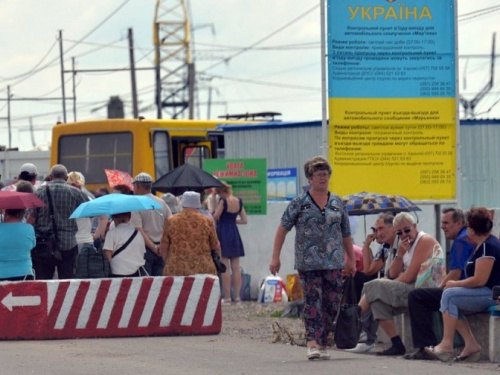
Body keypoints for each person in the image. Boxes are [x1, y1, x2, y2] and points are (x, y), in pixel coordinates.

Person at [269, 155, 356, 361]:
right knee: (313, 301)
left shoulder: (337, 203)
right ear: (309, 178)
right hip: (308, 262)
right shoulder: (299, 203)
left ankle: (323, 339)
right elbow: (282, 229)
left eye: (325, 174)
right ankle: (312, 342)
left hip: (334, 262)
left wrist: (351, 259)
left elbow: (346, 233)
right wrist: (275, 257)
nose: (322, 178)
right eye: (318, 175)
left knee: (332, 302)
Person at [358, 212, 440, 356]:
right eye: (399, 232)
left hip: (425, 290)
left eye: (407, 230)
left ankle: (354, 321)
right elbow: (392, 273)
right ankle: (396, 344)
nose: (404, 235)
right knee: (377, 301)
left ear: (415, 226)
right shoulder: (404, 246)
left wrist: (385, 283)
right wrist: (400, 254)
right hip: (413, 289)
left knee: (374, 286)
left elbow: (408, 276)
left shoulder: (424, 240)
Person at [424, 207, 500, 362]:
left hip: (491, 294)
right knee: (450, 298)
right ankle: (471, 345)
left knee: (450, 295)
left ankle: (446, 345)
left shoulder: (488, 246)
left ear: (472, 229)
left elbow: (480, 280)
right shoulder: (482, 245)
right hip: (485, 292)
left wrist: (454, 284)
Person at [405, 208, 474, 360]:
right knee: (427, 295)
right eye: (441, 222)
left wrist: (439, 288)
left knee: (417, 296)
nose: (442, 226)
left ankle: (425, 346)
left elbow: (455, 274)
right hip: (467, 288)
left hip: (463, 290)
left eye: (446, 223)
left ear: (460, 223)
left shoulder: (461, 241)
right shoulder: (465, 238)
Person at [347, 212, 398, 353]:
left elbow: (372, 271)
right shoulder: (384, 247)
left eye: (381, 229)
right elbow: (369, 269)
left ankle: (357, 327)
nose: (378, 233)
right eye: (376, 230)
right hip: (384, 281)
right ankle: (361, 332)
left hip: (394, 282)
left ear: (393, 228)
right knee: (363, 284)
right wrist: (367, 247)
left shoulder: (396, 244)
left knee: (368, 287)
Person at [28, 164, 88, 279]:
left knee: (44, 281)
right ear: (66, 178)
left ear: (50, 177)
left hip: (44, 244)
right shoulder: (76, 192)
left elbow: (32, 217)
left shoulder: (39, 192)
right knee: (67, 279)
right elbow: (88, 212)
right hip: (68, 242)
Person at [160, 191, 221, 276]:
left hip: (176, 269)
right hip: (203, 269)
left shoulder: (171, 221)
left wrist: (170, 262)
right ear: (198, 204)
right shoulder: (207, 221)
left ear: (183, 203)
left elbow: (163, 248)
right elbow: (215, 245)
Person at [130, 172, 171, 276]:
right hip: (162, 249)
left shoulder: (136, 204)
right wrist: (161, 246)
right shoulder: (162, 202)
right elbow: (170, 225)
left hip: (145, 249)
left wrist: (153, 247)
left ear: (138, 186)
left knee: (146, 284)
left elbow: (139, 230)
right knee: (161, 283)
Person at [213, 181, 247, 303]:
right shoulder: (238, 201)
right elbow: (244, 220)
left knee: (225, 266)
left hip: (223, 231)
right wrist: (233, 221)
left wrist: (213, 202)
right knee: (236, 267)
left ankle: (227, 296)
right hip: (234, 231)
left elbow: (215, 216)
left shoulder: (223, 201)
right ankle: (237, 296)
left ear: (221, 192)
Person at [103, 212, 146, 277]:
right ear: (129, 217)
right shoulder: (138, 233)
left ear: (114, 218)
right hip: (136, 271)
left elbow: (107, 252)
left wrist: (113, 264)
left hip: (117, 271)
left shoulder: (111, 233)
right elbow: (142, 252)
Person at [0, 208, 36, 280]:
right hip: (25, 273)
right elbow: (32, 245)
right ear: (22, 213)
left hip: (2, 274)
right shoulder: (29, 228)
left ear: (6, 213)